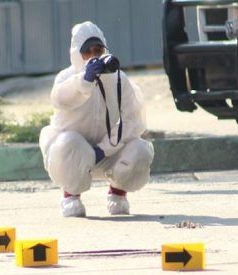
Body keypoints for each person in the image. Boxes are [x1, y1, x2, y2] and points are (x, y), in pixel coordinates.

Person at [39, 21, 154, 217]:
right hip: (74, 154)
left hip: (107, 152)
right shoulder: (66, 78)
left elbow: (133, 120)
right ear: (76, 53)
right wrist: (83, 82)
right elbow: (59, 99)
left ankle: (118, 194)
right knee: (67, 143)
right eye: (87, 51)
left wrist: (105, 148)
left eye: (98, 50)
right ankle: (71, 197)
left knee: (140, 149)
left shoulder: (119, 79)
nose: (93, 56)